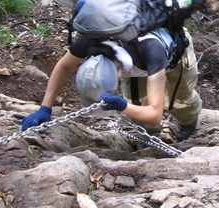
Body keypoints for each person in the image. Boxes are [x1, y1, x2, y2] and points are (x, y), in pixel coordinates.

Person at [20, 27, 202, 140]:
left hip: (173, 54)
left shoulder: (152, 51)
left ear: (120, 75)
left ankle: (189, 119)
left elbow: (155, 113)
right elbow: (63, 66)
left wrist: (123, 106)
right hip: (136, 59)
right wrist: (45, 108)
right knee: (137, 109)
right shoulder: (91, 40)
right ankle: (148, 138)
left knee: (179, 101)